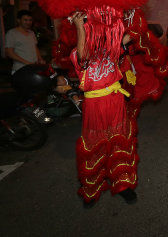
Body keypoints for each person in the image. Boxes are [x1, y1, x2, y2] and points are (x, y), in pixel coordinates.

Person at [71, 12, 137, 207]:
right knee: (94, 145)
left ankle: (122, 184)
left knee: (119, 141)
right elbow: (84, 58)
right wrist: (79, 26)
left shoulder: (112, 49)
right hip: (93, 104)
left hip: (115, 100)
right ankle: (92, 187)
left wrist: (129, 13)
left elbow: (131, 33)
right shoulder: (77, 52)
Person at [5, 10, 45, 74]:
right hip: (20, 69)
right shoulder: (12, 33)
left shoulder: (31, 33)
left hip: (33, 68)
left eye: (30, 20)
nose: (28, 22)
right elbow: (9, 52)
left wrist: (41, 60)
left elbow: (35, 48)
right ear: (19, 20)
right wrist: (26, 62)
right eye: (25, 20)